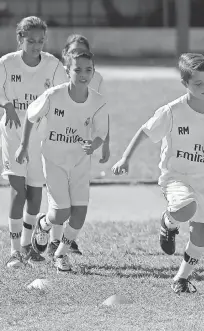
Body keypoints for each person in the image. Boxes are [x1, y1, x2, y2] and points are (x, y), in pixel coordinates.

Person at [112, 53, 204, 293]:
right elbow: (145, 132)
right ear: (184, 84)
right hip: (176, 176)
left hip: (203, 181)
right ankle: (168, 222)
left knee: (202, 236)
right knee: (186, 207)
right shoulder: (172, 111)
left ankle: (181, 278)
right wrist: (125, 158)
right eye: (198, 83)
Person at [16, 49, 109, 272]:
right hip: (54, 160)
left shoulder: (98, 102)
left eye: (88, 69)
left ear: (93, 71)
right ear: (67, 71)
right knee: (61, 213)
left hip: (79, 163)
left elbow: (100, 133)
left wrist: (94, 145)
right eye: (77, 69)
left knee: (80, 214)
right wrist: (23, 145)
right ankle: (43, 224)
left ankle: (61, 255)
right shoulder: (53, 96)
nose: (83, 74)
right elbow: (30, 115)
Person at [0, 16, 68, 268]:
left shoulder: (52, 65)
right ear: (20, 39)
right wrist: (6, 103)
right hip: (13, 134)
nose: (36, 46)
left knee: (35, 196)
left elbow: (64, 94)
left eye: (41, 41)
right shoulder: (6, 64)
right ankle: (14, 250)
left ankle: (28, 246)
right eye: (31, 41)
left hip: (41, 138)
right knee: (18, 192)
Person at [46, 34, 111, 257]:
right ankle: (54, 239)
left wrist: (104, 143)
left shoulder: (96, 78)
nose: (78, 57)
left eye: (82, 52)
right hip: (57, 145)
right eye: (73, 52)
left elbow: (101, 114)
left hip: (82, 147)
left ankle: (66, 241)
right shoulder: (57, 76)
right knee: (59, 200)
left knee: (77, 200)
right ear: (66, 57)